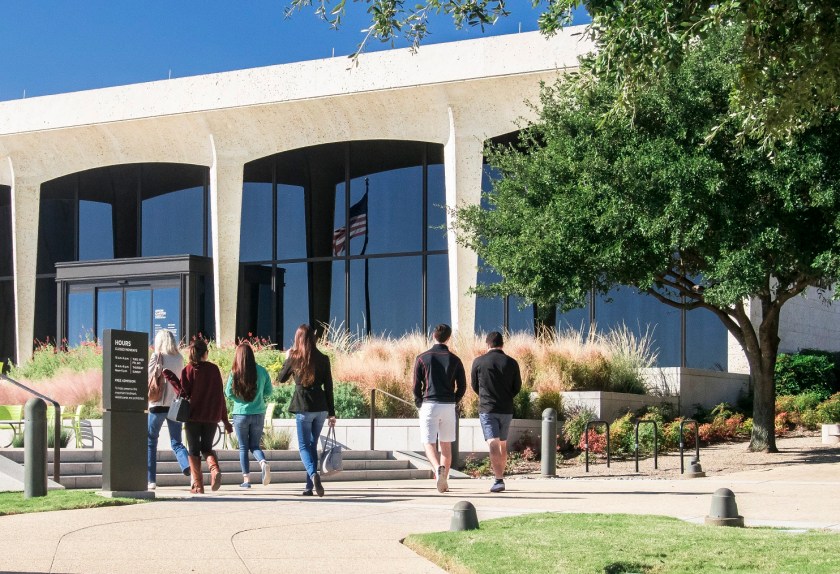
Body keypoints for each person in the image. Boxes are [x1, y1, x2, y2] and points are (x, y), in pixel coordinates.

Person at [164, 337, 232, 494]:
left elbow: (183, 393)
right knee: (207, 447)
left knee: (194, 450)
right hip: (211, 417)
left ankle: (198, 486)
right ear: (205, 353)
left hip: (193, 416)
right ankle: (214, 469)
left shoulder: (187, 370)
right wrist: (225, 421)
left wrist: (172, 379)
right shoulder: (214, 370)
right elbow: (220, 396)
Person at [277, 324, 336, 497]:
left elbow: (281, 378)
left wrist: (288, 357)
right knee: (312, 446)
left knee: (304, 446)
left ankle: (313, 475)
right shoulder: (324, 358)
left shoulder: (295, 357)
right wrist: (332, 413)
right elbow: (329, 387)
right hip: (321, 408)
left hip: (303, 407)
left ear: (298, 339)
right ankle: (309, 487)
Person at [413, 323, 467, 493]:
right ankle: (444, 480)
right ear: (448, 337)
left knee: (428, 443)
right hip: (448, 405)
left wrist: (419, 402)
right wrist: (455, 399)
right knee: (446, 445)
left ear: (433, 335)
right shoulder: (455, 359)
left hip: (429, 404)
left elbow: (416, 384)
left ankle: (438, 469)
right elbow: (463, 386)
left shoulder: (422, 358)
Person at [470, 331, 523, 493]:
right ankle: (500, 476)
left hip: (488, 408)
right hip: (506, 408)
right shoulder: (512, 363)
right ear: (502, 344)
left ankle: (498, 479)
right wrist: (506, 397)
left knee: (493, 442)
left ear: (487, 344)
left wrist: (485, 396)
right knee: (502, 443)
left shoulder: (478, 362)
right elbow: (517, 386)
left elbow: (474, 385)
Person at [225, 342, 275, 488]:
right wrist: (259, 396)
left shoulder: (235, 372)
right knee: (255, 445)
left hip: (240, 414)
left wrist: (238, 400)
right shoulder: (261, 370)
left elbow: (228, 392)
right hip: (258, 412)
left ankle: (246, 480)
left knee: (243, 447)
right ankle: (263, 462)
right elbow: (269, 392)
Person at [147, 329, 190, 490]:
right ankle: (186, 466)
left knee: (151, 442)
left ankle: (151, 480)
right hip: (174, 405)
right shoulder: (179, 358)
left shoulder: (157, 356)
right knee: (177, 442)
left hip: (157, 405)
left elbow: (149, 376)